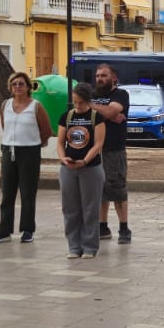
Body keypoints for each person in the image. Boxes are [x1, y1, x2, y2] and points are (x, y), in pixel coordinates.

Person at [0, 72, 52, 245]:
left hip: (29, 152)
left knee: (27, 192)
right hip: (9, 150)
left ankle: (27, 229)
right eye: (14, 84)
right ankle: (4, 230)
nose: (18, 87)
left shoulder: (36, 106)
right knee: (7, 192)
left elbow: (46, 130)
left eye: (21, 84)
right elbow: (5, 126)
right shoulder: (5, 105)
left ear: (28, 87)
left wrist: (34, 144)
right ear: (10, 88)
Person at [58, 83, 106, 259]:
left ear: (88, 101)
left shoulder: (96, 117)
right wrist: (63, 158)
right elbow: (60, 141)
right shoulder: (67, 116)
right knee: (70, 208)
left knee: (90, 207)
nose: (78, 106)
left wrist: (85, 160)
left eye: (81, 103)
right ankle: (73, 245)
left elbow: (98, 144)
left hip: (91, 168)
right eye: (75, 102)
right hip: (68, 168)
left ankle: (89, 246)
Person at [91, 64, 132, 244]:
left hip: (114, 150)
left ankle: (124, 228)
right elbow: (83, 113)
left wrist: (94, 107)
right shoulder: (93, 95)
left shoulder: (120, 94)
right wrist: (107, 114)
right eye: (98, 75)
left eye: (104, 75)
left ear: (113, 77)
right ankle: (102, 226)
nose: (100, 78)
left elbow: (110, 111)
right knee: (99, 190)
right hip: (93, 149)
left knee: (116, 188)